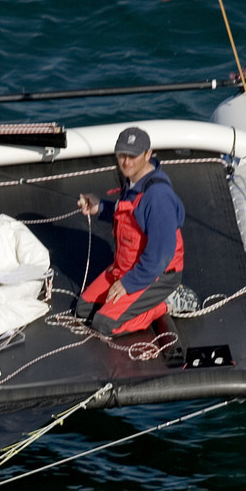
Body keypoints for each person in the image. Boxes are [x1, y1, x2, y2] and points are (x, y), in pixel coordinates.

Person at [74, 126, 186, 335]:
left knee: (104, 324)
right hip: (128, 265)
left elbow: (160, 256)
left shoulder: (158, 196)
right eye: (122, 155)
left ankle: (167, 302)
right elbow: (129, 215)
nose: (126, 162)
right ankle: (135, 300)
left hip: (156, 274)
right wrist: (100, 207)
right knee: (84, 309)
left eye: (133, 156)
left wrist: (128, 283)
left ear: (148, 154)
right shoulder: (133, 181)